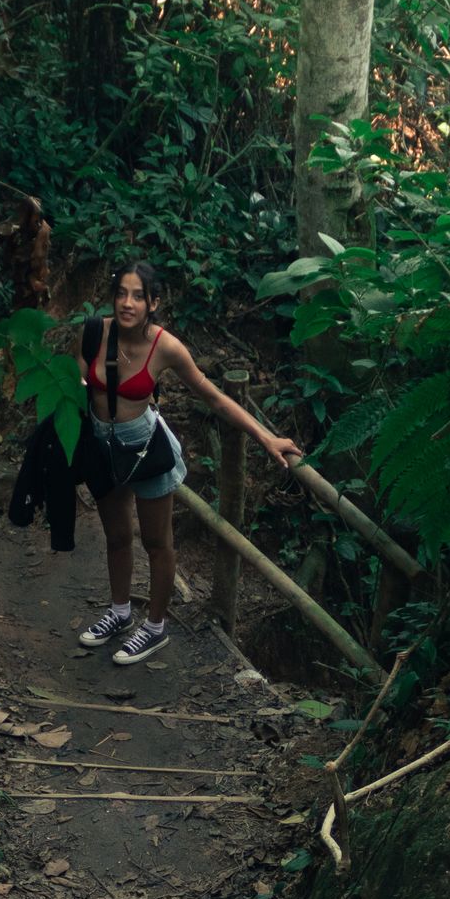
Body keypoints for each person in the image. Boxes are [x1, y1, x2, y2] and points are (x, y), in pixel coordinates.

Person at [77, 261, 301, 665]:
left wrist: (266, 438)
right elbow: (76, 386)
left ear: (153, 303)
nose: (128, 303)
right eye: (122, 293)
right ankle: (120, 612)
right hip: (102, 447)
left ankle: (155, 627)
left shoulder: (166, 347)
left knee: (157, 541)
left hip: (146, 449)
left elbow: (212, 396)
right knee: (116, 536)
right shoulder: (95, 332)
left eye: (138, 296)